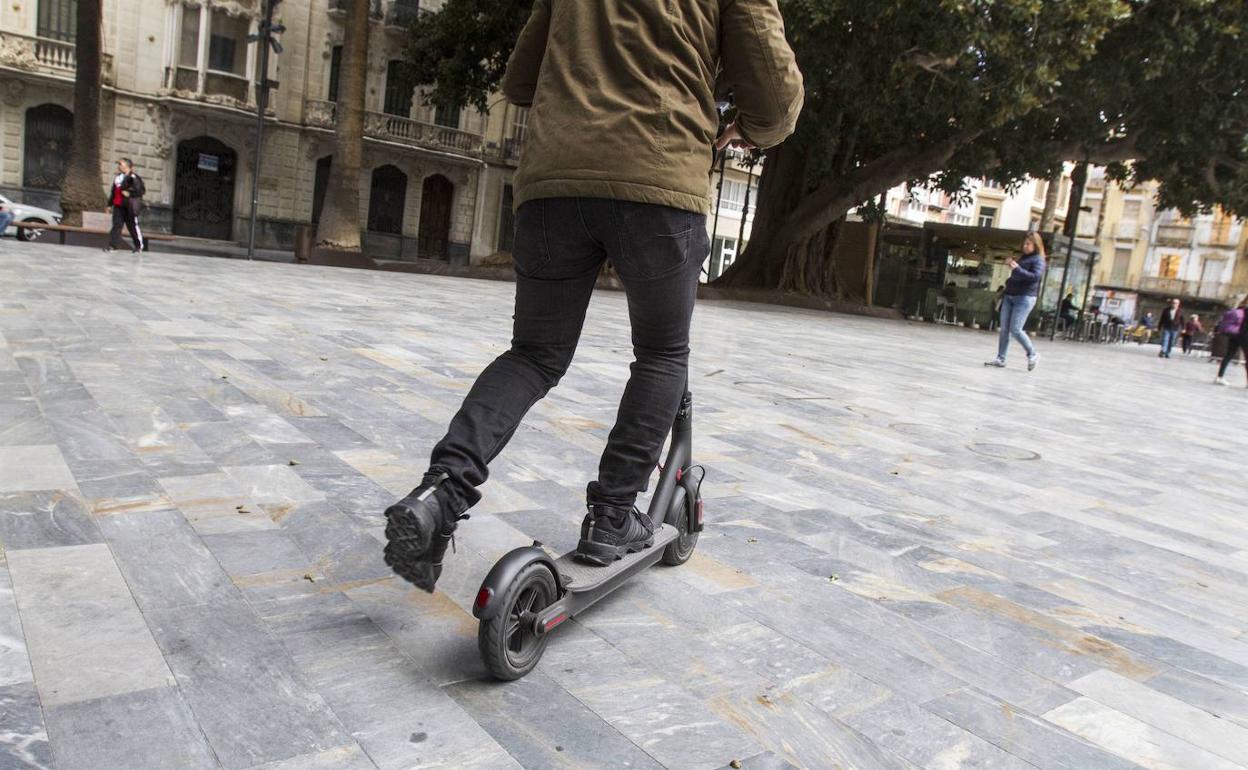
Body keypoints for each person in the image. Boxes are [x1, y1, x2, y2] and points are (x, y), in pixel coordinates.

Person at [380, 0, 804, 592]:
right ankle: (611, 516)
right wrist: (747, 129)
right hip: (660, 181)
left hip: (554, 184)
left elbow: (521, 81)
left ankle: (439, 493)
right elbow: (777, 98)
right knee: (661, 354)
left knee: (533, 354)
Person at [985, 232, 1046, 371]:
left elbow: (1035, 277)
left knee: (1016, 328)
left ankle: (1032, 353)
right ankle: (1001, 358)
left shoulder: (1039, 260)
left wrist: (1017, 268)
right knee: (1004, 329)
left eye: (1028, 244)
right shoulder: (1024, 257)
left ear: (1035, 245)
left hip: (1025, 297)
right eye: (1024, 244)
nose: (1024, 246)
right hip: (1010, 295)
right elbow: (1017, 274)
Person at [105, 158, 145, 253]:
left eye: (120, 164)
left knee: (132, 226)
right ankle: (113, 246)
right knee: (116, 226)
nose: (118, 166)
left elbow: (141, 191)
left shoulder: (134, 177)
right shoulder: (118, 177)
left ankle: (138, 246)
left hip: (129, 206)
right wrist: (109, 205)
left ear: (127, 166)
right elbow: (113, 192)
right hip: (118, 205)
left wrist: (130, 194)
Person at [1214, 298, 1248, 386]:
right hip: (1245, 336)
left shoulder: (1240, 308)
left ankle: (1219, 377)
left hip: (1234, 334)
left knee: (1228, 355)